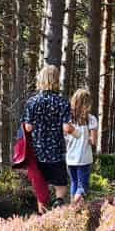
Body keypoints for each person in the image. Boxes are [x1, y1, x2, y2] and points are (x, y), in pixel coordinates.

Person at [21, 64, 71, 212]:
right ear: (56, 80)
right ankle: (58, 203)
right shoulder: (62, 102)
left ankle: (43, 218)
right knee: (60, 185)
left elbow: (28, 127)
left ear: (40, 79)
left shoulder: (32, 102)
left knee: (40, 186)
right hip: (56, 150)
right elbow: (66, 128)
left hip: (37, 151)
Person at [63, 88, 99, 201]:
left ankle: (73, 209)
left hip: (70, 158)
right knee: (83, 186)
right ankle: (77, 200)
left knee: (74, 183)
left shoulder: (67, 119)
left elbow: (64, 136)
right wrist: (86, 139)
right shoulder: (91, 119)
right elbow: (93, 141)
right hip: (84, 158)